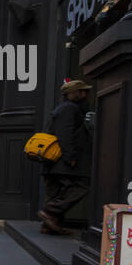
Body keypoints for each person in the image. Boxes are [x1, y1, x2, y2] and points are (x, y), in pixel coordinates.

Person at [39, 79, 92, 235]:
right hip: (62, 161)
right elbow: (65, 134)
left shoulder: (63, 108)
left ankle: (49, 226)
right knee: (80, 187)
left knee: (55, 191)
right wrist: (70, 157)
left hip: (54, 161)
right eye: (84, 91)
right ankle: (50, 212)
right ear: (76, 94)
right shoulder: (69, 109)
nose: (87, 94)